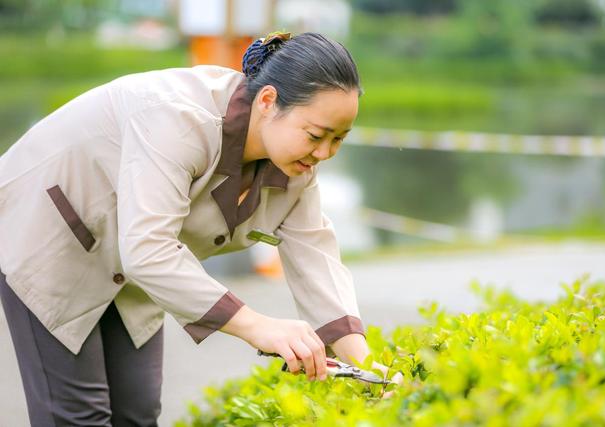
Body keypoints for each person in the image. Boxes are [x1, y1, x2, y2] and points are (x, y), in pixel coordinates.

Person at [0, 31, 398, 426]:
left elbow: (317, 259)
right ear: (268, 101)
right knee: (78, 418)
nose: (325, 153)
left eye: (339, 139)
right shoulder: (177, 118)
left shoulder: (296, 169)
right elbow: (149, 249)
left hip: (129, 264)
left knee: (136, 413)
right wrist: (258, 327)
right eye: (316, 135)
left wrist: (370, 369)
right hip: (50, 234)